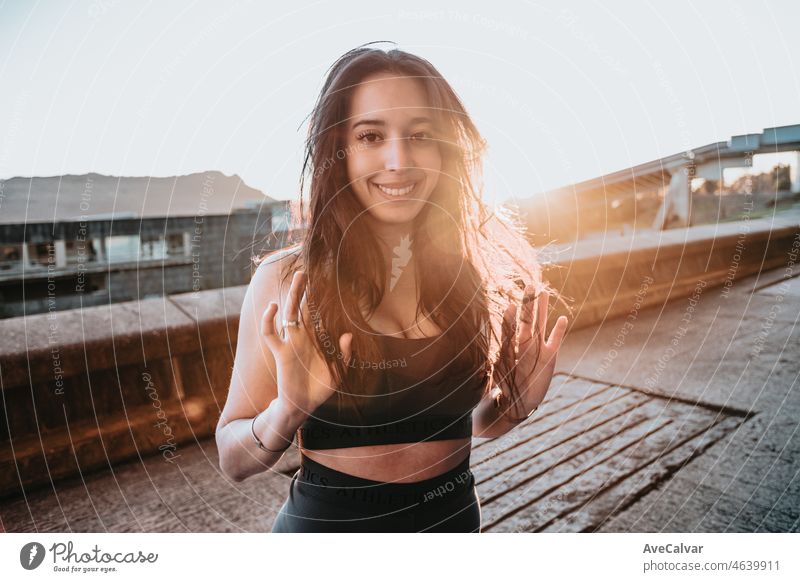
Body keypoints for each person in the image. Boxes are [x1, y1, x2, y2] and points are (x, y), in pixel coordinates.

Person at [215, 42, 570, 533]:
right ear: (337, 152)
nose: (399, 159)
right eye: (370, 135)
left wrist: (513, 403)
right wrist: (286, 412)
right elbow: (233, 460)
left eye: (420, 134)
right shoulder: (287, 280)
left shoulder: (471, 274)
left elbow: (475, 425)